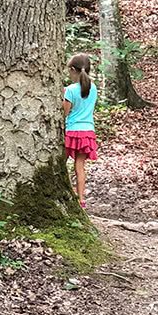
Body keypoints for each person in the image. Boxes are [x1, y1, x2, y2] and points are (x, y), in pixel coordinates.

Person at [62, 53, 98, 209]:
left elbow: (65, 112)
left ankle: (65, 192)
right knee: (79, 165)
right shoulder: (94, 88)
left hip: (72, 131)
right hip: (88, 131)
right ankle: (81, 199)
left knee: (61, 163)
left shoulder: (70, 90)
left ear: (72, 69)